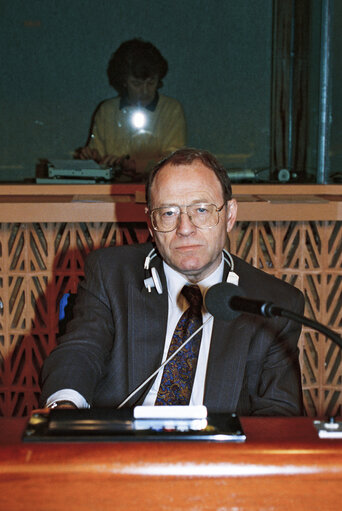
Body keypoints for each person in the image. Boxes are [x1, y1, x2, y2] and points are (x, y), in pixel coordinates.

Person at [40, 148, 304, 415]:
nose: (185, 228)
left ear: (230, 215)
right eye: (168, 213)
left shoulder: (273, 304)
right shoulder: (111, 274)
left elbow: (280, 413)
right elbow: (81, 351)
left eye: (201, 210)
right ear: (151, 222)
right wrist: (64, 407)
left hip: (218, 452)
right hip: (122, 448)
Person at [75, 38, 186, 177]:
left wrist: (135, 165)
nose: (145, 90)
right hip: (111, 191)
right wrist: (92, 157)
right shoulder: (107, 110)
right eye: (137, 83)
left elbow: (173, 160)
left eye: (151, 82)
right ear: (124, 81)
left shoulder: (171, 109)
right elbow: (98, 158)